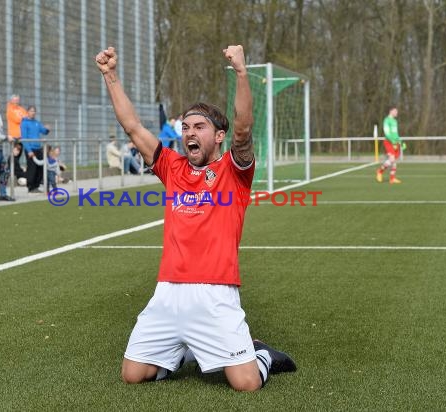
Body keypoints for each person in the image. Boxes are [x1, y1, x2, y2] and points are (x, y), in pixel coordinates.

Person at [95, 45, 296, 392]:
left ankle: (261, 354)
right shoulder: (172, 167)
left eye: (199, 126)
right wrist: (110, 75)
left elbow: (245, 129)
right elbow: (132, 127)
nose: (190, 132)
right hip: (168, 292)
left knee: (246, 383)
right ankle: (186, 349)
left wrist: (242, 74)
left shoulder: (234, 171)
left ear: (218, 136)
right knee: (133, 375)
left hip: (215, 292)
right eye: (186, 126)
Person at [20, 105, 50, 193]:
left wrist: (47, 129)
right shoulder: (24, 123)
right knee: (32, 168)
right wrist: (29, 150)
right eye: (31, 111)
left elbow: (44, 131)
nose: (33, 113)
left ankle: (36, 186)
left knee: (41, 167)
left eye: (34, 111)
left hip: (38, 148)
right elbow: (24, 138)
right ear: (28, 112)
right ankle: (31, 187)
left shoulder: (37, 122)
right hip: (30, 148)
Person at [376, 105, 406, 184]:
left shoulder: (395, 121)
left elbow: (396, 133)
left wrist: (400, 142)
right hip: (389, 142)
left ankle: (392, 178)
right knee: (392, 159)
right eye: (395, 111)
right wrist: (392, 141)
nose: (397, 113)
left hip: (395, 142)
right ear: (391, 111)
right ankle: (380, 171)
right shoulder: (386, 120)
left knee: (394, 161)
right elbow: (387, 132)